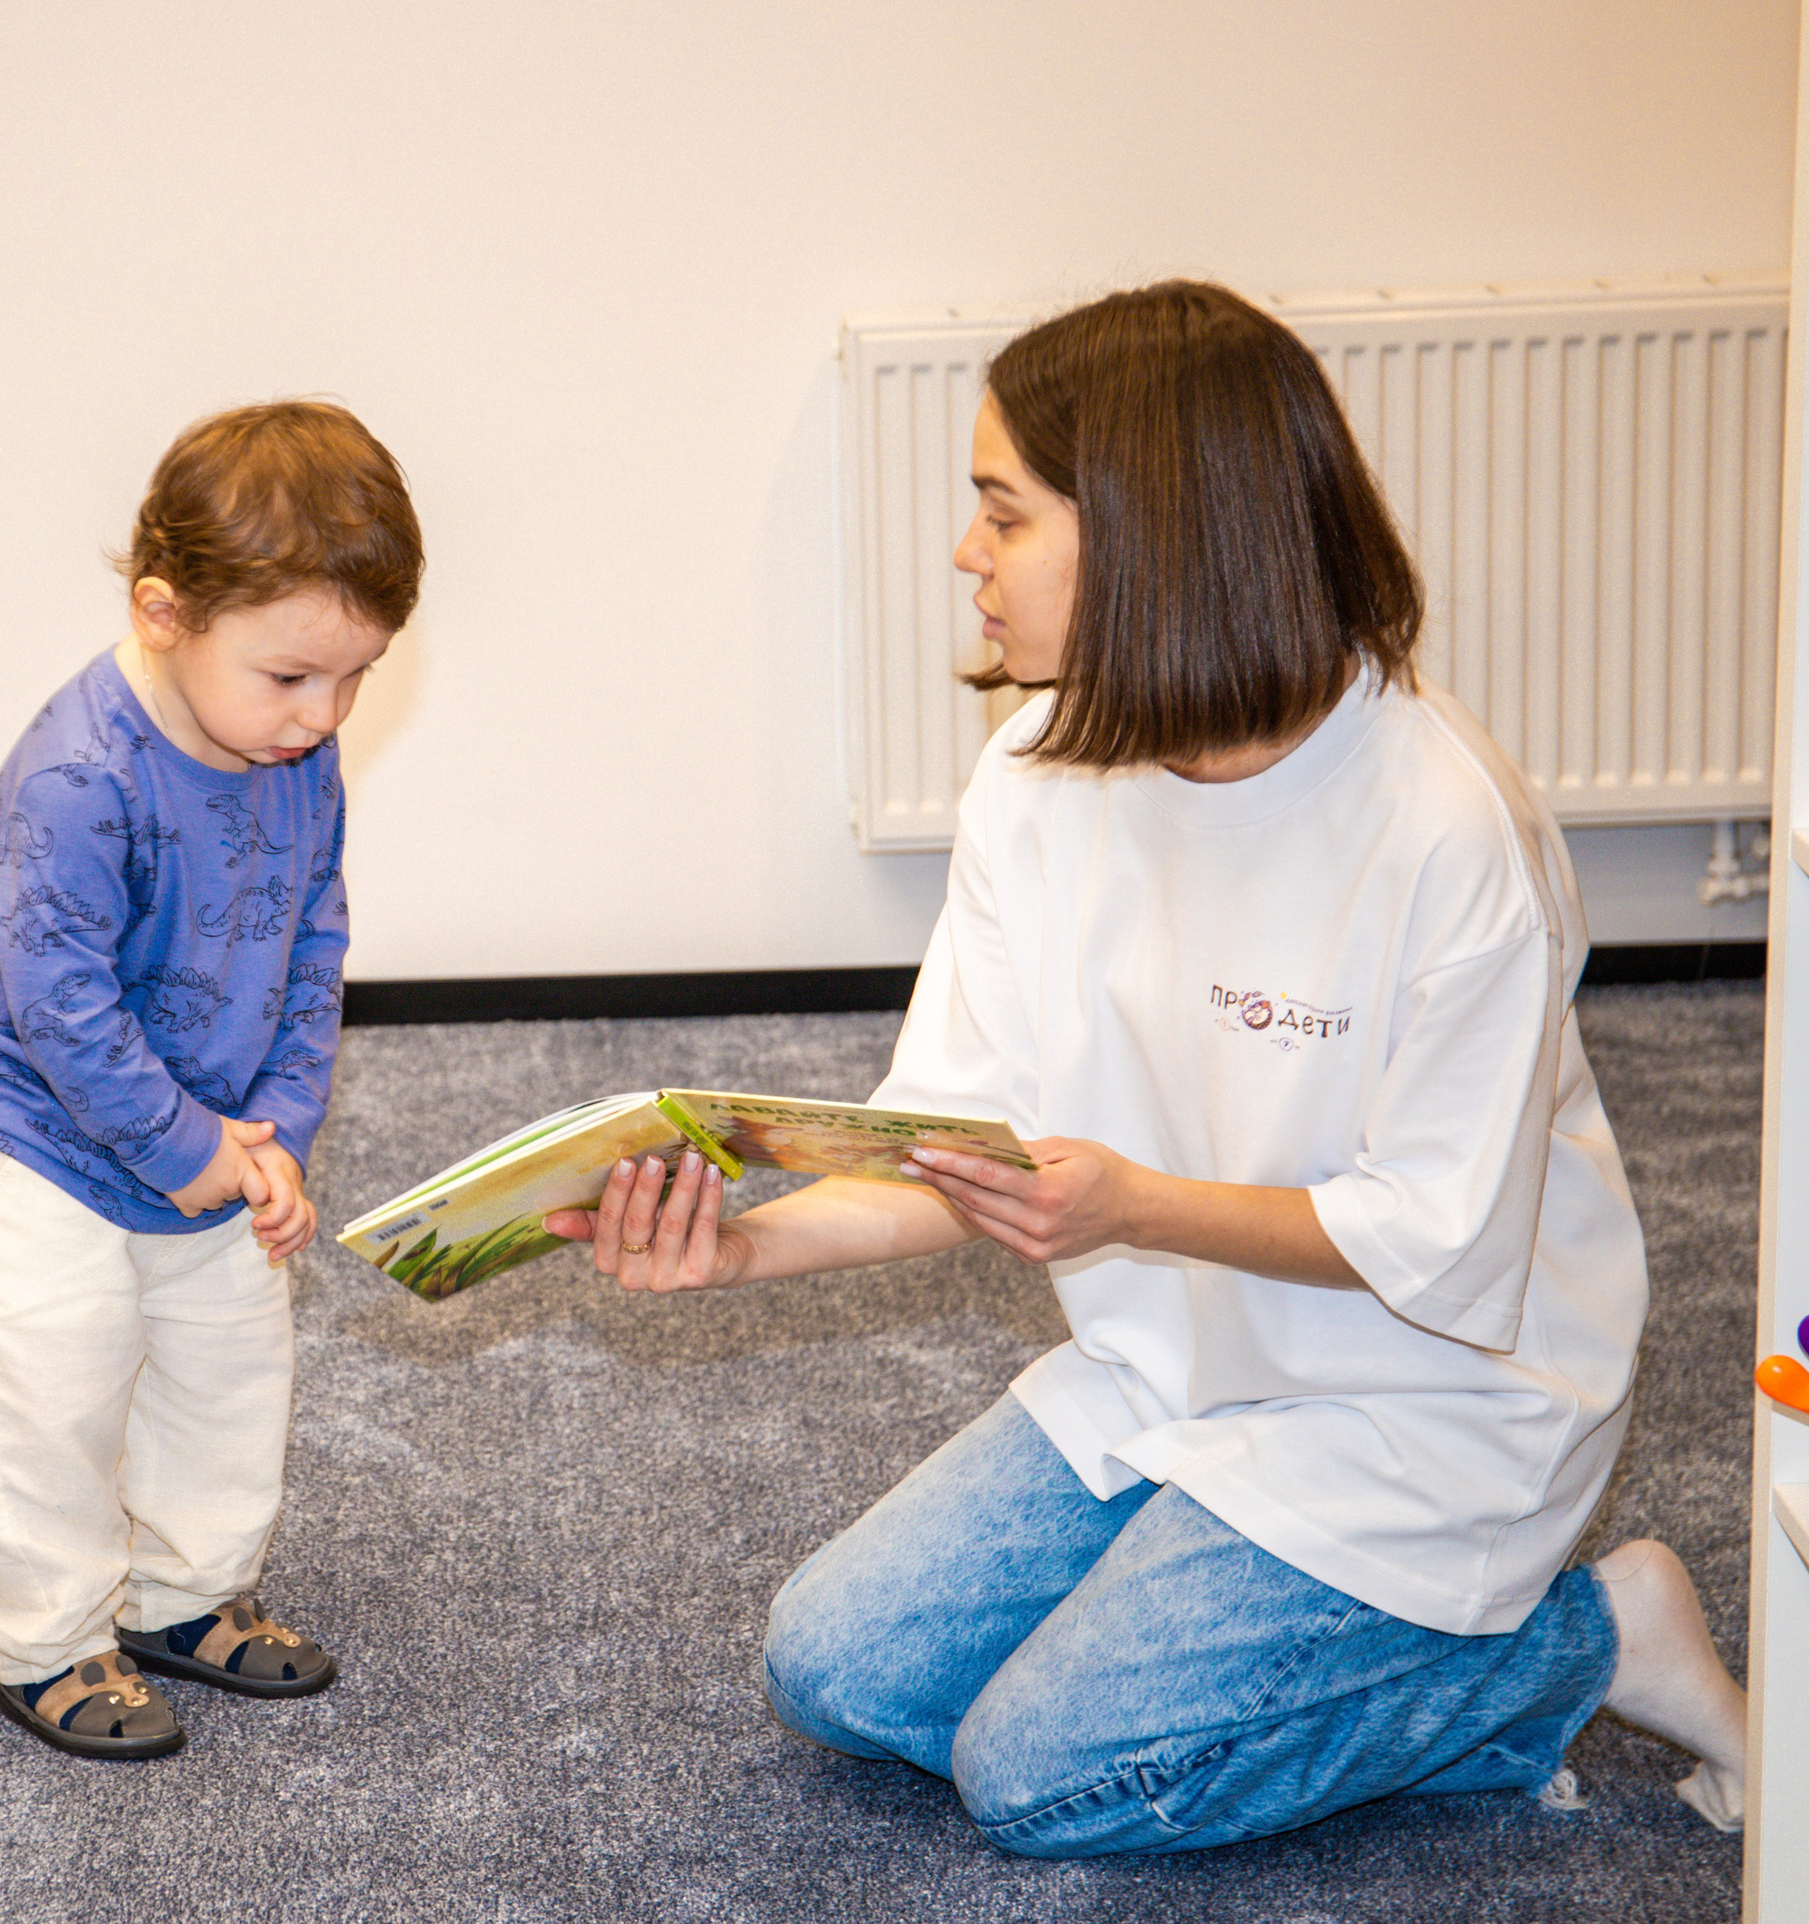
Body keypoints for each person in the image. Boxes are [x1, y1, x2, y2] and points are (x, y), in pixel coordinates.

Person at [548, 282, 1746, 1853]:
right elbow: (959, 1146)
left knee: (1044, 1779)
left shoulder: (1447, 830)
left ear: (1152, 534)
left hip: (1432, 1408)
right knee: (835, 1671)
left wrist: (1129, 1211)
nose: (966, 555)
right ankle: (1241, 1595)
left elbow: (1437, 1242)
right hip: (1170, 1365)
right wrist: (747, 1243)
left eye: (1003, 512)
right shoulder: (1040, 775)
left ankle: (1581, 1639)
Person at [0, 400, 420, 1759]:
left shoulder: (296, 758)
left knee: (224, 1380)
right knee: (49, 1403)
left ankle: (186, 1599)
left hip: (223, 1137)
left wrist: (280, 1132)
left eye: (357, 679)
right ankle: (48, 1646)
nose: (324, 717)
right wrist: (187, 1144)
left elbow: (315, 942)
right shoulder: (78, 781)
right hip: (50, 1151)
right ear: (163, 612)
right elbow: (59, 1003)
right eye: (289, 678)